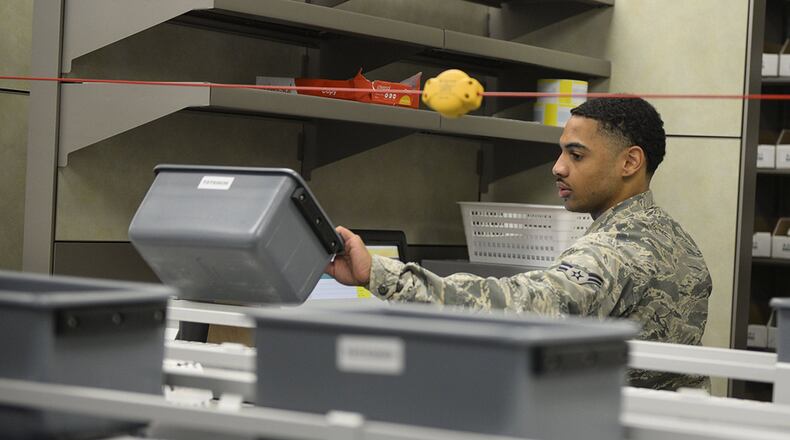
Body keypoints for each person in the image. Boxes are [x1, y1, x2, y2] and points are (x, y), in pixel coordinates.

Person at [327, 97, 712, 390]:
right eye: (561, 151)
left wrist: (376, 273)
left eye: (576, 154)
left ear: (630, 163)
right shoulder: (673, 238)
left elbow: (518, 307)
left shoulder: (615, 250)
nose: (558, 167)